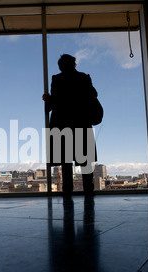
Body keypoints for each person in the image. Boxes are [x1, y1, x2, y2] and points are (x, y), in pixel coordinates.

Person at [43, 54, 98, 196]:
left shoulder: (57, 79)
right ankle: (88, 190)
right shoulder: (84, 78)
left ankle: (67, 192)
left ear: (61, 66)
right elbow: (94, 95)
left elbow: (53, 103)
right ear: (74, 64)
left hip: (62, 123)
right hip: (81, 121)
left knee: (66, 161)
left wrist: (48, 99)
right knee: (85, 161)